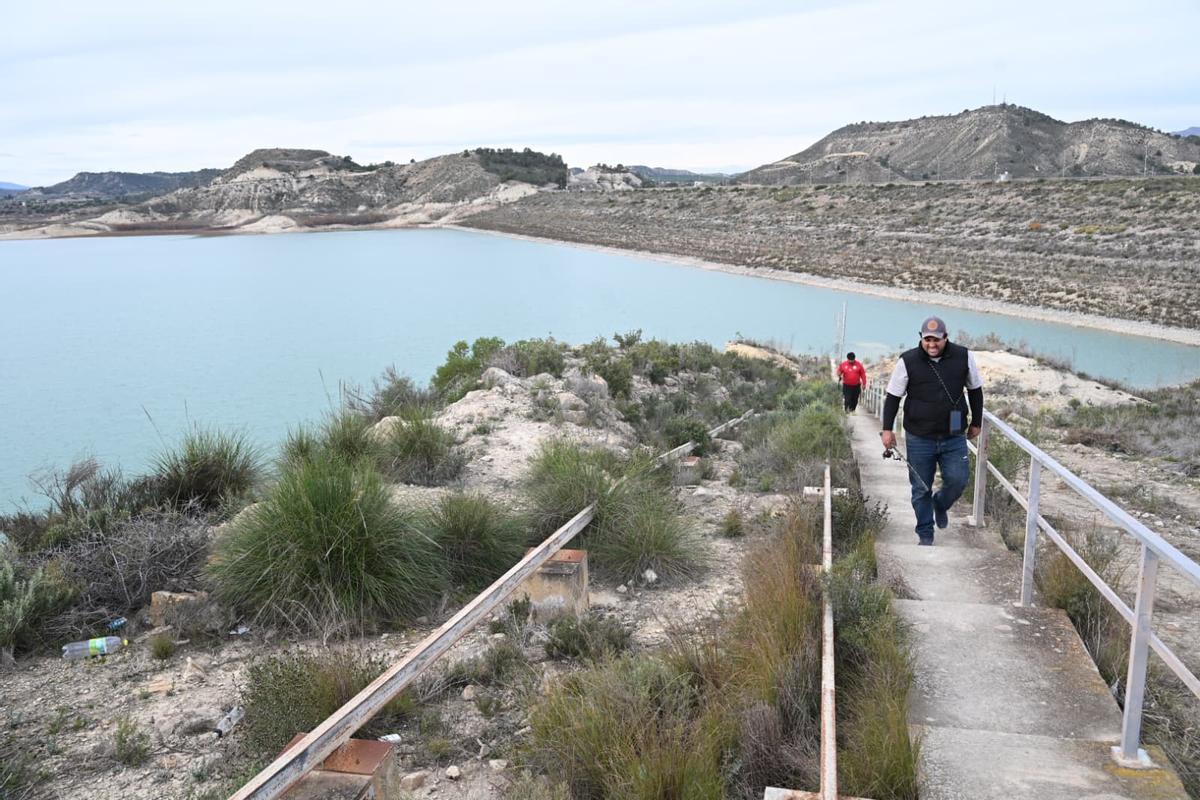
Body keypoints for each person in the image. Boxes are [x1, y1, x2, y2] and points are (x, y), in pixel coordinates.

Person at [880, 316, 984, 545]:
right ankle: (925, 534)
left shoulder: (963, 356)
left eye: (937, 339)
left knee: (958, 480)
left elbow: (975, 390)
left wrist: (977, 421)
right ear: (921, 338)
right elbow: (893, 397)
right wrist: (887, 430)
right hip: (919, 436)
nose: (932, 344)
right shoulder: (907, 361)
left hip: (954, 433)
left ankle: (940, 503)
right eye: (927, 339)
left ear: (945, 338)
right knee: (920, 488)